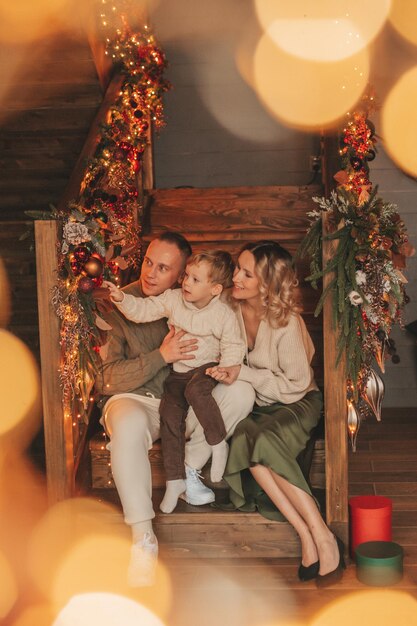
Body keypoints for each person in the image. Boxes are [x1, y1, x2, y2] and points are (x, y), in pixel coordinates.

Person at [94, 232, 255, 587]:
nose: (151, 273)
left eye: (164, 268)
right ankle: (142, 539)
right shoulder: (117, 304)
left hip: (187, 402)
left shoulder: (208, 302)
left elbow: (233, 341)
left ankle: (188, 466)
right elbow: (105, 379)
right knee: (129, 427)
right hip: (135, 399)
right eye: (148, 262)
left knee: (242, 391)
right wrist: (160, 357)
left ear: (183, 274)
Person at [207, 240, 345, 588]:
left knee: (262, 441)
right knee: (244, 438)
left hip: (297, 403)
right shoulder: (228, 308)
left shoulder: (286, 322)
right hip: (260, 406)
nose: (235, 277)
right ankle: (309, 534)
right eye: (237, 268)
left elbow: (297, 385)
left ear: (267, 284)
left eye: (246, 273)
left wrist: (244, 373)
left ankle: (323, 536)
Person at [103, 250, 245, 514]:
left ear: (214, 289)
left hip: (206, 371)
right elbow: (143, 311)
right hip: (179, 375)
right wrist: (122, 298)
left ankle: (217, 443)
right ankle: (175, 481)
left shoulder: (223, 313)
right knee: (170, 416)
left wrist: (228, 368)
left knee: (198, 392)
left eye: (194, 279)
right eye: (187, 277)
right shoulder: (173, 299)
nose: (186, 283)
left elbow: (233, 343)